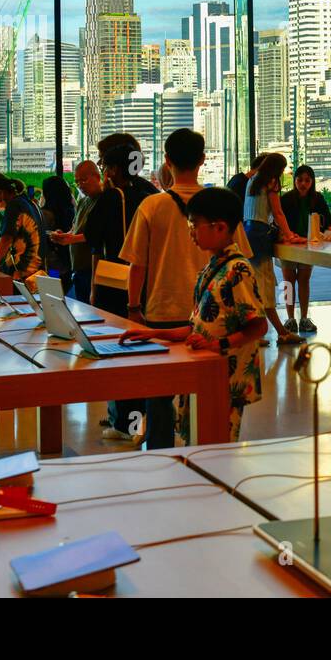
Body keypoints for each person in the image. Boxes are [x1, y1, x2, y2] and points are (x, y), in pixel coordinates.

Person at [121, 187, 267, 441]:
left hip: (225, 377)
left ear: (220, 228)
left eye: (195, 225)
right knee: (196, 442)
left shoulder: (238, 270)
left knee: (217, 448)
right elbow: (195, 326)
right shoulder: (211, 268)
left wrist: (216, 344)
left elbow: (258, 327)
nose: (191, 232)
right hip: (204, 372)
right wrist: (153, 333)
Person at [119, 128, 213, 450]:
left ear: (167, 160)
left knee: (159, 397)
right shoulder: (218, 206)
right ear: (202, 160)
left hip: (161, 312)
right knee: (208, 391)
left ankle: (160, 456)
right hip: (208, 316)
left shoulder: (151, 206)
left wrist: (133, 308)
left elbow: (137, 265)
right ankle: (206, 455)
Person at [82, 134, 158, 441]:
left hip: (115, 281)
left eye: (104, 164)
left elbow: (91, 235)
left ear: (113, 169)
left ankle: (126, 423)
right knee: (141, 350)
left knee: (118, 348)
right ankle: (133, 419)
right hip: (147, 279)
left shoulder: (113, 197)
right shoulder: (150, 192)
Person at [244, 152, 306, 345]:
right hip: (260, 235)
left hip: (247, 232)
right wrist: (289, 235)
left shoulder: (253, 180)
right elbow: (278, 212)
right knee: (266, 284)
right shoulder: (271, 182)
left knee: (254, 284)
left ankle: (260, 333)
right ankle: (280, 332)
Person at [279, 164, 331, 334]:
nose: (303, 184)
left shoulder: (317, 199)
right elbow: (278, 220)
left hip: (308, 245)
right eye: (299, 180)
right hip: (289, 244)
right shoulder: (286, 198)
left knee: (304, 280)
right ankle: (290, 318)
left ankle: (304, 318)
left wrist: (329, 230)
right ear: (295, 181)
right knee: (288, 281)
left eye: (307, 180)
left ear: (312, 182)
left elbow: (329, 220)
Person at [49, 160, 102, 304]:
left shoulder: (104, 200)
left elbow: (97, 234)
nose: (80, 185)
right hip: (76, 267)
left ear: (97, 176)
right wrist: (65, 235)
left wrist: (70, 239)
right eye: (77, 182)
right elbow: (75, 228)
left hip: (91, 267)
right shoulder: (83, 201)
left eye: (84, 180)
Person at [0, 174, 48, 282]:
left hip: (22, 274)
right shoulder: (29, 202)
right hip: (37, 271)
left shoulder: (13, 206)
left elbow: (6, 238)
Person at [39, 175, 75, 287]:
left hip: (51, 265)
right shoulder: (71, 210)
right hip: (68, 262)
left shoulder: (45, 214)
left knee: (53, 290)